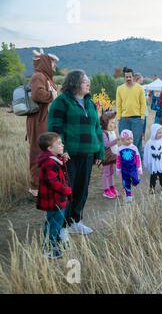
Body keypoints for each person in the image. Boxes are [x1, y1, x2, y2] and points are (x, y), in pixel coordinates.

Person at [48, 69, 104, 240]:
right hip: (69, 155)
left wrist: (100, 151)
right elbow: (55, 128)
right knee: (67, 191)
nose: (88, 83)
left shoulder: (90, 103)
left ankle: (75, 221)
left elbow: (97, 129)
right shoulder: (61, 102)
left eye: (88, 81)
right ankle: (63, 226)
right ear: (74, 83)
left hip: (87, 154)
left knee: (82, 189)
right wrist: (62, 151)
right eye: (85, 81)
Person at [27, 49, 59, 197]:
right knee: (37, 152)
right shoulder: (38, 76)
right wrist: (51, 95)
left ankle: (46, 184)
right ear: (46, 63)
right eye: (52, 63)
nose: (54, 66)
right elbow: (37, 94)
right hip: (38, 121)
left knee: (47, 152)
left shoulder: (47, 78)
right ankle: (35, 187)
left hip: (46, 120)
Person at [36, 132, 72, 259]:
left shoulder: (53, 159)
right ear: (50, 148)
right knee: (54, 224)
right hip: (54, 200)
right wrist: (66, 190)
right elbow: (53, 182)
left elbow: (58, 171)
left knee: (53, 222)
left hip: (57, 199)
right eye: (59, 143)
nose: (62, 145)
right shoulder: (50, 162)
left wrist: (63, 159)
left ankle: (53, 244)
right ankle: (49, 249)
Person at [116, 67, 146, 156]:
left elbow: (143, 104)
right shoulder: (120, 88)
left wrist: (142, 117)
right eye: (126, 77)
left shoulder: (140, 88)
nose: (128, 78)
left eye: (130, 76)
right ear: (124, 78)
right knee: (124, 141)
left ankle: (137, 162)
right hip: (124, 119)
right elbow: (118, 104)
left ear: (133, 77)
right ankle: (125, 160)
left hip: (137, 119)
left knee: (137, 141)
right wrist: (118, 117)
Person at [116, 129, 143, 203]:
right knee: (126, 183)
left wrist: (139, 168)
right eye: (128, 139)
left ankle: (135, 180)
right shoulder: (120, 149)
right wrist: (118, 169)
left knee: (136, 181)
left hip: (133, 168)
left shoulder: (134, 148)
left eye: (131, 139)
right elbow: (118, 160)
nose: (130, 141)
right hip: (124, 170)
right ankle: (129, 196)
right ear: (122, 140)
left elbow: (138, 158)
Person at [100, 110, 119, 199]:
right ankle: (106, 189)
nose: (114, 125)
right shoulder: (103, 133)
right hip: (106, 156)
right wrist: (117, 141)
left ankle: (111, 187)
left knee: (111, 172)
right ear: (105, 123)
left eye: (115, 122)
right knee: (106, 172)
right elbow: (106, 144)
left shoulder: (112, 132)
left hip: (112, 155)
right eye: (112, 122)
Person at [143, 123, 162, 194]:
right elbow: (146, 153)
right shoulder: (149, 143)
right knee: (153, 176)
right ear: (154, 132)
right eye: (159, 133)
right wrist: (147, 163)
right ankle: (152, 188)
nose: (161, 134)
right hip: (153, 163)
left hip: (160, 162)